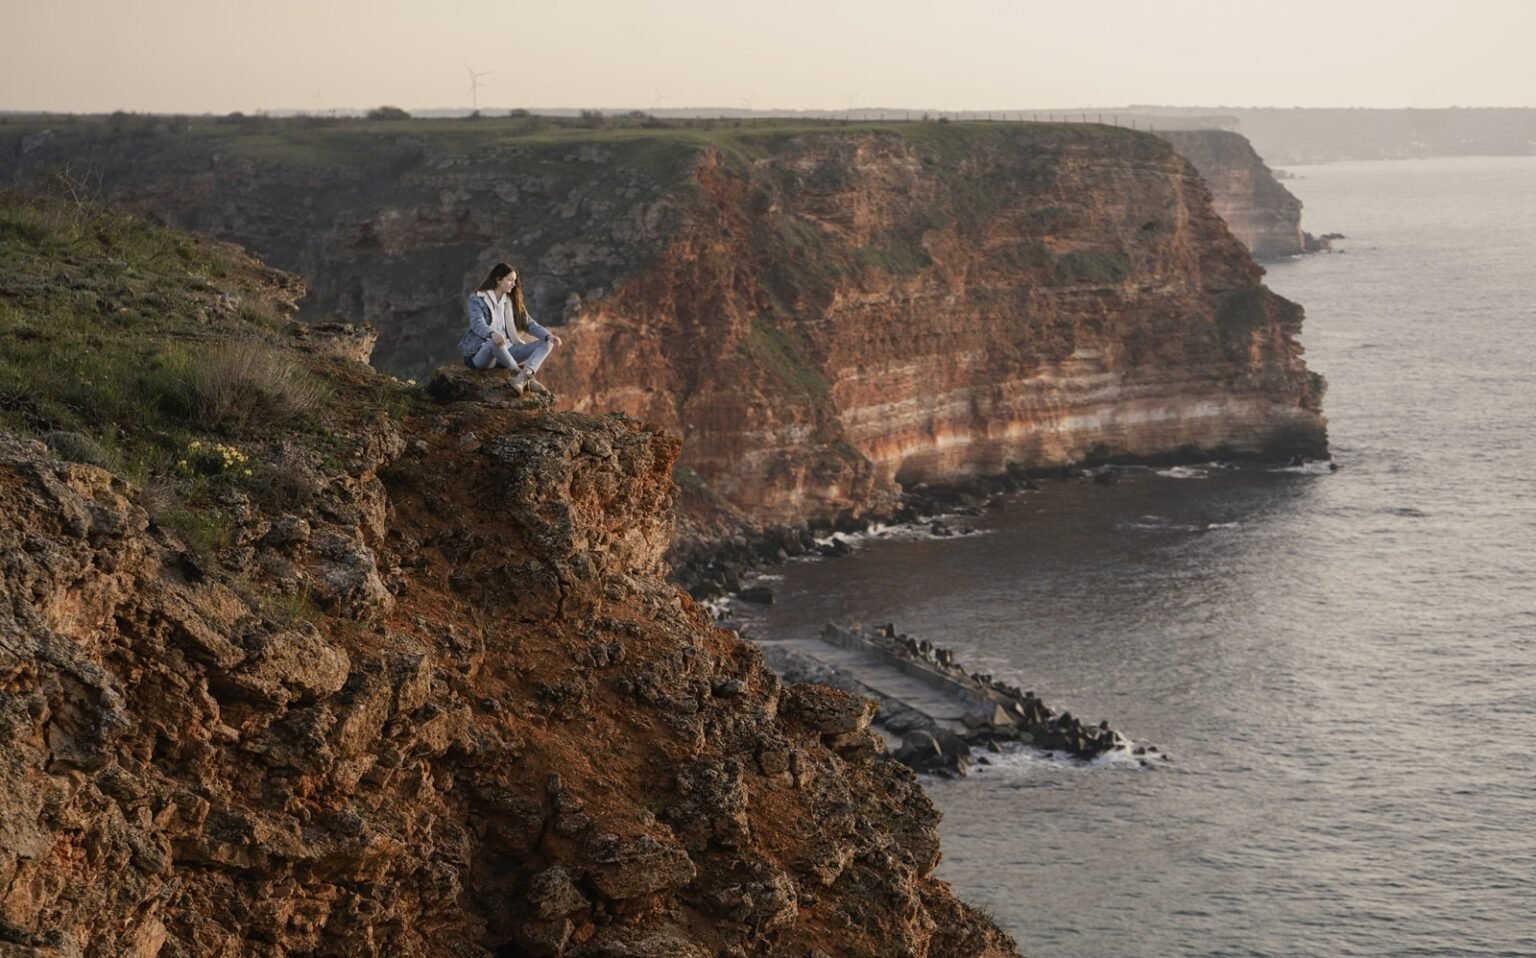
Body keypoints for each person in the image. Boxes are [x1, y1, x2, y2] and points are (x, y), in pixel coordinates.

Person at [457, 262, 562, 396]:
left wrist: (548, 336)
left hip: (508, 352)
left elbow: (528, 323)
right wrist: (492, 333)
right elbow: (477, 324)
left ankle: (523, 377)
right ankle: (524, 377)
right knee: (494, 342)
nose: (513, 284)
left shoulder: (512, 301)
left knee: (547, 342)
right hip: (483, 355)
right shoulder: (477, 299)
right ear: (498, 280)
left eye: (514, 281)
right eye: (510, 280)